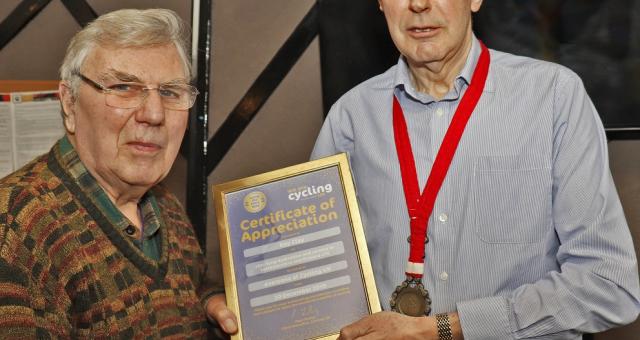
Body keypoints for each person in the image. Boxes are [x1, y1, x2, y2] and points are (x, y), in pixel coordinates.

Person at [309, 0, 640, 339]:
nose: (419, 5)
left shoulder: (554, 98)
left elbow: (608, 284)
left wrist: (441, 329)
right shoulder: (349, 118)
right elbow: (316, 278)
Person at [0, 8, 235, 338]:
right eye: (124, 87)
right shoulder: (17, 228)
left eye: (169, 92)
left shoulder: (164, 203)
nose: (154, 114)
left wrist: (211, 306)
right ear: (69, 103)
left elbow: (187, 287)